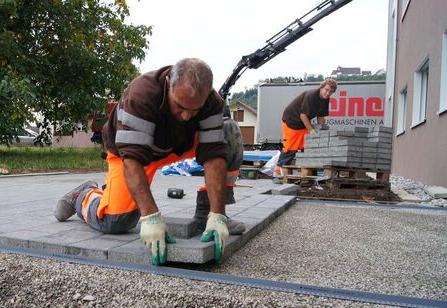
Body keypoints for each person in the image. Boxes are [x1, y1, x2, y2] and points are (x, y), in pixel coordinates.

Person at [54, 58, 245, 265]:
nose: (187, 116)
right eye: (180, 106)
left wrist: (218, 214)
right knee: (116, 222)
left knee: (230, 132)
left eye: (195, 110)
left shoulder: (211, 101)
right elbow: (133, 159)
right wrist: (150, 216)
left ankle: (207, 214)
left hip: (176, 147)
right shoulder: (141, 95)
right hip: (130, 153)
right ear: (168, 83)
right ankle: (84, 195)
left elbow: (214, 154)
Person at [273, 79, 337, 182]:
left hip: (303, 123)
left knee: (307, 148)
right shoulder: (311, 96)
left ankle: (307, 175)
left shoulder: (325, 99)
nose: (328, 93)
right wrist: (311, 130)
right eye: (326, 89)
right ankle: (277, 174)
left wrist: (323, 131)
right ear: (321, 87)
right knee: (290, 149)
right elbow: (303, 115)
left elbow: (321, 117)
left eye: (331, 91)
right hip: (292, 121)